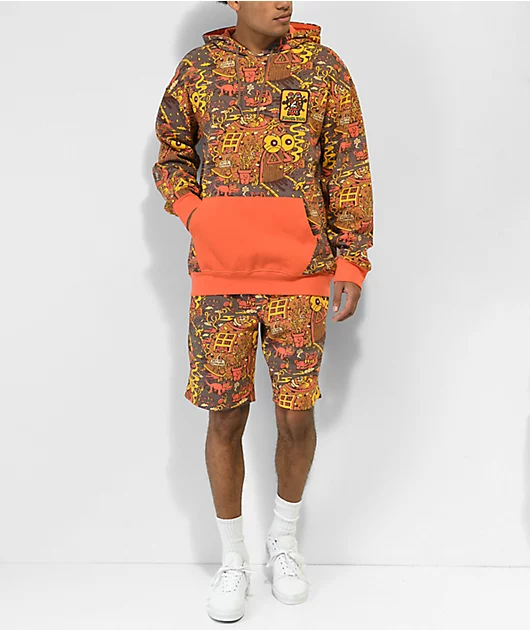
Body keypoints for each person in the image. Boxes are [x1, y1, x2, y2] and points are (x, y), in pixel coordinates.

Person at [152, 0, 373, 621]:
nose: (284, 1)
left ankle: (284, 540)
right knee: (225, 418)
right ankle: (233, 559)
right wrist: (198, 216)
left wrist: (353, 259)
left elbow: (348, 166)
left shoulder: (323, 68)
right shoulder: (198, 70)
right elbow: (170, 155)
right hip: (219, 278)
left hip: (301, 275)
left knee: (296, 416)